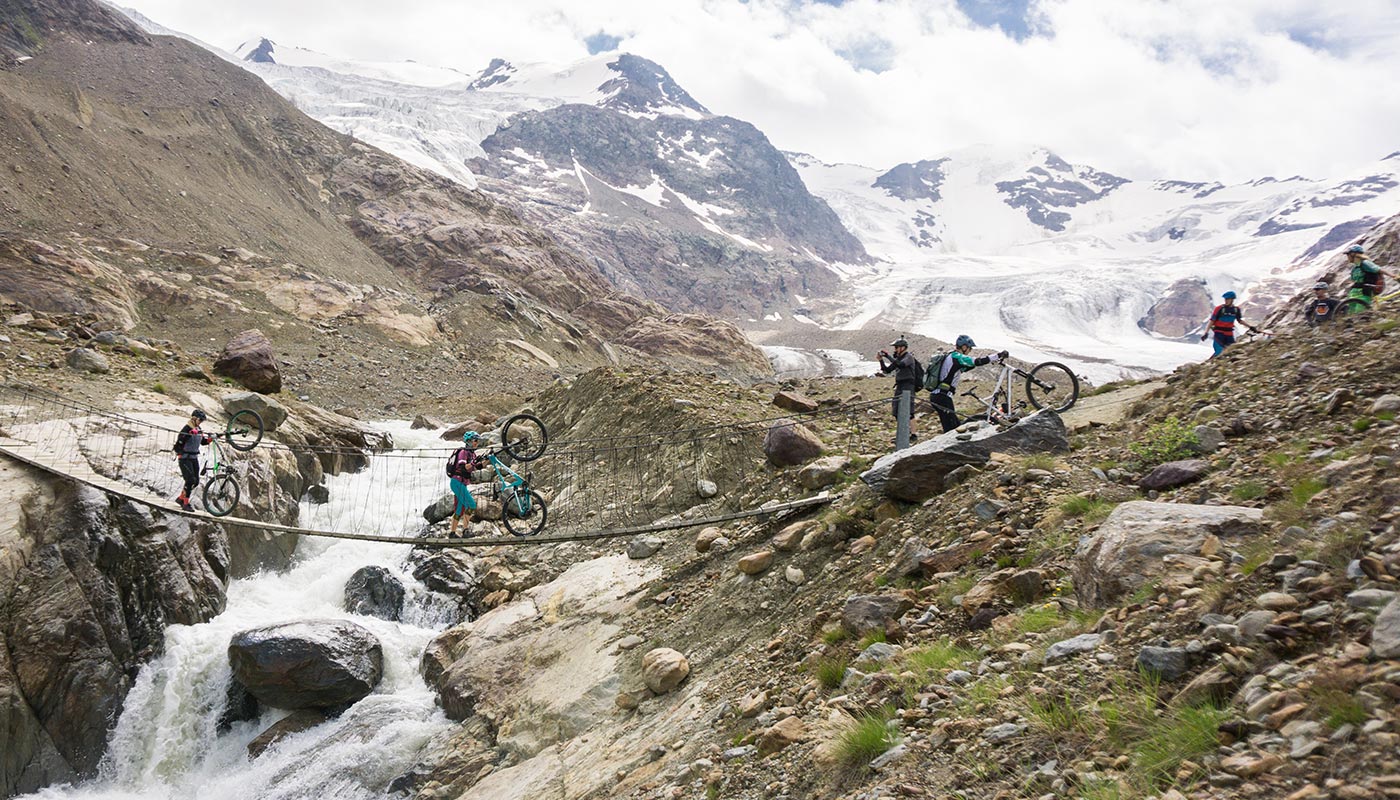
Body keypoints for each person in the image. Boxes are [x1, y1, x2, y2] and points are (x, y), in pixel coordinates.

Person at [927, 335, 1009, 432]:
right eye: (970, 348)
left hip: (938, 395)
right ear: (964, 347)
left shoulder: (950, 356)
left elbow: (967, 367)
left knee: (954, 425)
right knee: (952, 429)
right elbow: (977, 361)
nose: (970, 351)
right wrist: (998, 355)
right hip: (942, 396)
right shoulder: (957, 356)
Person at [447, 431, 486, 537]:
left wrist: (488, 459)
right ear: (468, 441)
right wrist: (473, 462)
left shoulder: (472, 453)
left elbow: (478, 467)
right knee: (471, 505)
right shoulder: (463, 452)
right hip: (457, 482)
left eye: (477, 441)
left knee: (459, 510)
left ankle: (452, 533)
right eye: (475, 440)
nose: (477, 443)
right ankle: (465, 530)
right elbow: (463, 467)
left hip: (461, 483)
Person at [877, 337, 920, 434]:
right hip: (900, 385)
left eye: (896, 347)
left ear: (903, 348)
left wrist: (887, 356)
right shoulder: (897, 359)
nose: (895, 350)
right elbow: (887, 370)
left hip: (908, 386)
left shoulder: (909, 357)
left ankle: (913, 434)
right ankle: (903, 432)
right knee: (896, 410)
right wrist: (881, 360)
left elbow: (901, 365)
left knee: (909, 411)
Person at [173, 409, 211, 511]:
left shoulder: (198, 429)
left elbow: (203, 442)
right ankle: (185, 503)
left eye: (202, 421)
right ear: (194, 419)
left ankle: (180, 498)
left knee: (196, 481)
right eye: (200, 420)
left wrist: (211, 438)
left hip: (194, 458)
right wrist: (189, 433)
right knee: (190, 480)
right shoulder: (186, 429)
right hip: (185, 458)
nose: (201, 422)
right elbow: (179, 443)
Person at [1201, 291, 1257, 356]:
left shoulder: (1236, 310)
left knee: (1231, 351)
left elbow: (1239, 321)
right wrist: (1206, 332)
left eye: (1228, 299)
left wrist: (1250, 327)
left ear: (1232, 299)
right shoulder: (1219, 309)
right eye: (1225, 299)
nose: (1226, 301)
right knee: (1219, 351)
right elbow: (1211, 321)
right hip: (1219, 333)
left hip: (1229, 334)